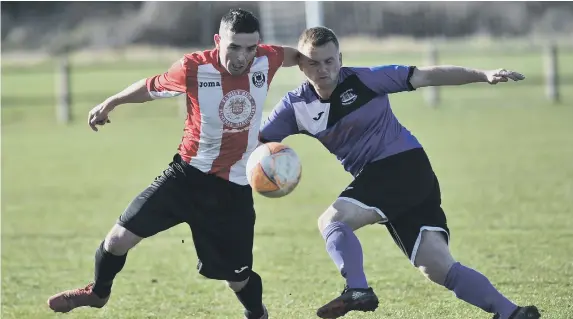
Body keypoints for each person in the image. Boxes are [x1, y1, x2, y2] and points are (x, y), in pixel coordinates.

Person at [259, 26, 540, 319]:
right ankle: (512, 312)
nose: (323, 69)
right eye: (313, 63)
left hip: (402, 165)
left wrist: (482, 74)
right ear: (301, 64)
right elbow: (258, 144)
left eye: (329, 61)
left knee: (332, 221)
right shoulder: (295, 106)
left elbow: (428, 75)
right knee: (438, 268)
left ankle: (357, 289)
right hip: (400, 180)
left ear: (340, 58)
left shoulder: (366, 80)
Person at [46, 9, 300, 319]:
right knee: (116, 240)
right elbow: (151, 87)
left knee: (237, 279)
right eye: (234, 46)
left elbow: (300, 55)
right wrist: (112, 101)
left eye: (250, 47)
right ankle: (98, 293)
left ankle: (257, 314)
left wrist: (326, 70)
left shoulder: (267, 58)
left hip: (233, 189)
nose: (243, 56)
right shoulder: (193, 67)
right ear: (219, 40)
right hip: (186, 177)